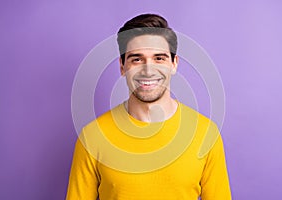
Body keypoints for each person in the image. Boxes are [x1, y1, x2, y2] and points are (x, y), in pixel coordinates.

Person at [66, 13, 231, 200]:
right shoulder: (92, 136)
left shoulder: (206, 134)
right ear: (122, 66)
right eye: (136, 59)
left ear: (174, 64)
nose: (148, 70)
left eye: (159, 58)